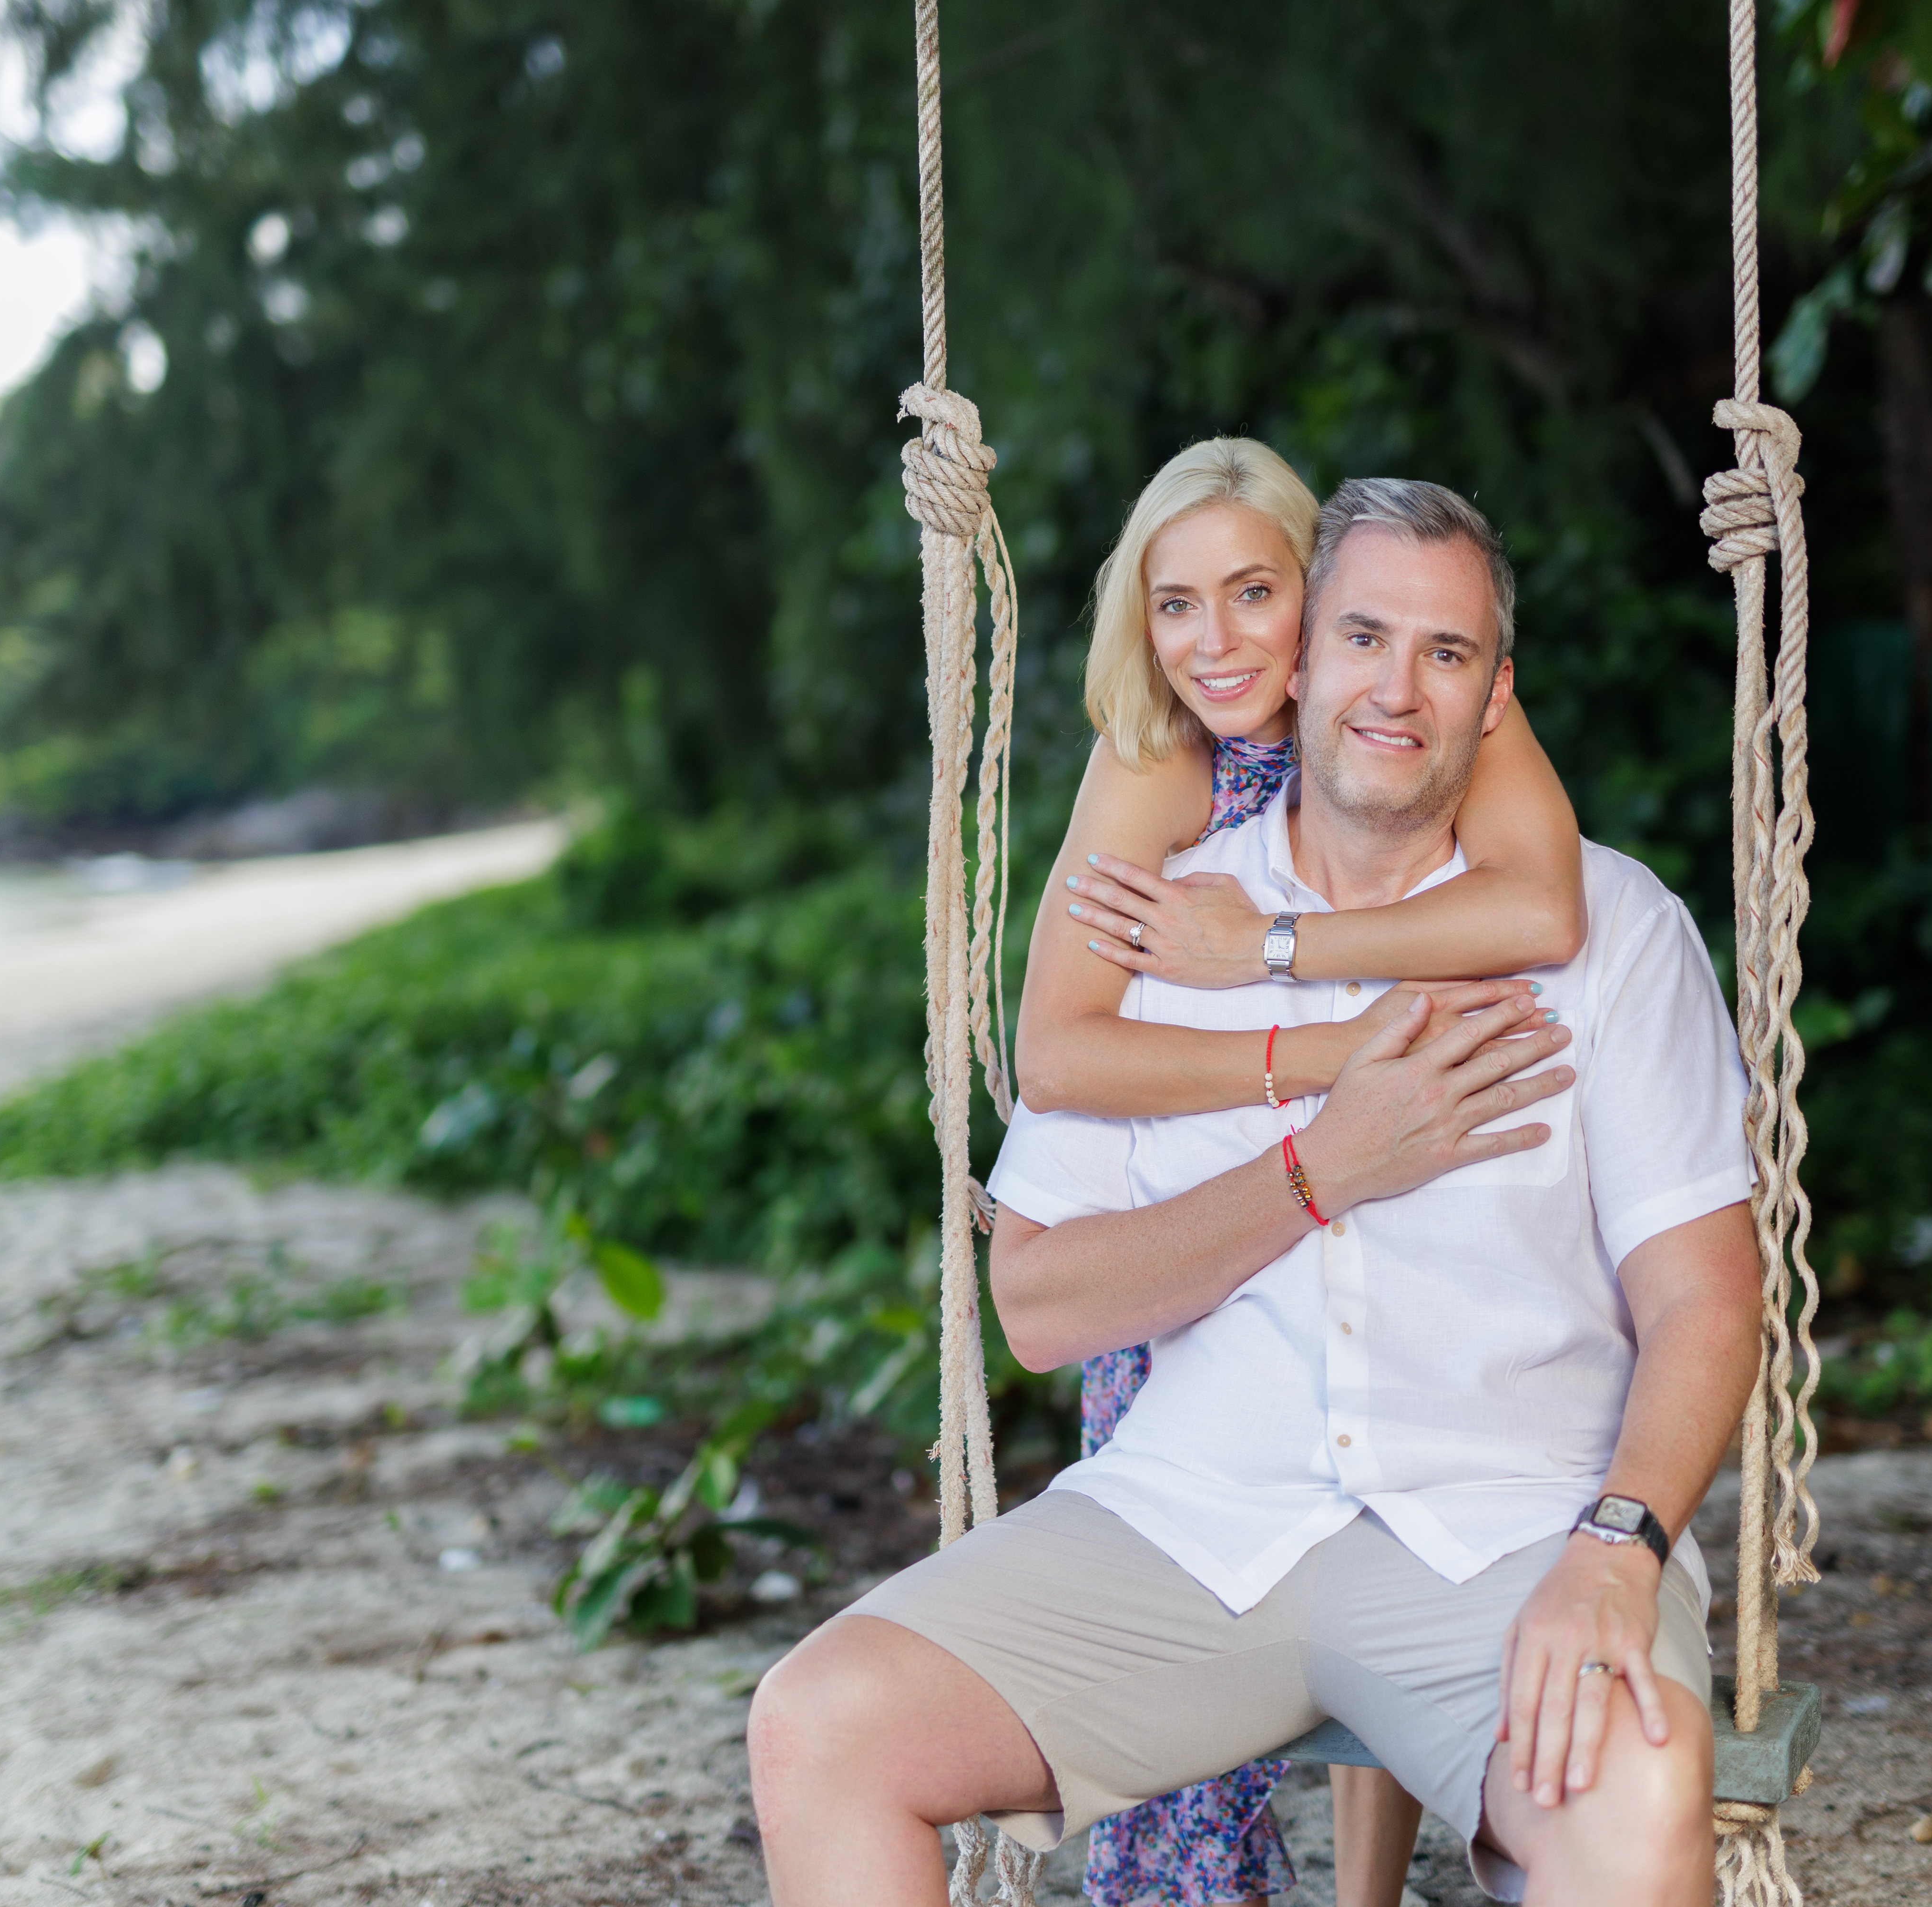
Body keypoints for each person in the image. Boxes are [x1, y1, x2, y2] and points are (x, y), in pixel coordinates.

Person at [748, 479, 1763, 1907]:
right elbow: (1036, 1305)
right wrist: (1321, 1171)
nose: (1396, 690)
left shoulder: (1614, 933)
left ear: (1496, 694)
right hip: (1194, 1524)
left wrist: (1619, 1549)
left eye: (1447, 654)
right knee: (821, 1726)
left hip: (1512, 1527)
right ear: (1302, 661)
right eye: (1364, 638)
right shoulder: (1158, 925)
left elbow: (1706, 1301)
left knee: (1636, 1789)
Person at [1012, 440, 1591, 1907]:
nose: (1214, 643)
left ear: (1319, 593)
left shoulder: (1413, 692)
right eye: (1175, 604)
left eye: (1253, 594)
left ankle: (1368, 1896)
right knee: (1217, 1607)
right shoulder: (1161, 759)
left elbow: (1543, 908)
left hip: (1412, 1172)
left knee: (1384, 1482)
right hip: (1233, 1171)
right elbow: (1057, 1055)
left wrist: (1273, 950)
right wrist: (1324, 1060)